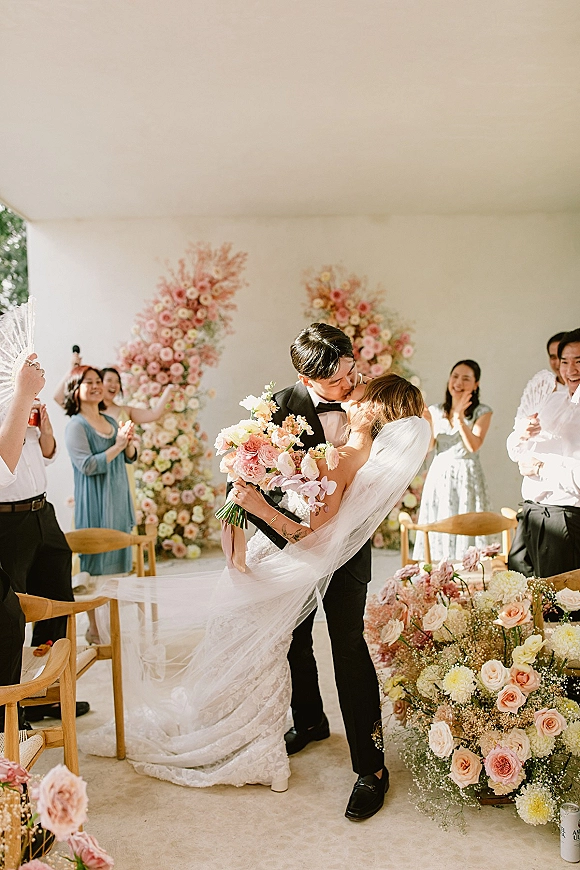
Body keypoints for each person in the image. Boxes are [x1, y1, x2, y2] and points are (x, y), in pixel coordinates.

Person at [83, 373, 429, 818]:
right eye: (343, 376)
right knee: (293, 637)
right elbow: (254, 463)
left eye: (357, 378)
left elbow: (313, 526)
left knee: (347, 648)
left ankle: (372, 769)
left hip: (333, 551)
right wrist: (242, 500)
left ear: (374, 407)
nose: (352, 383)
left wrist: (260, 507)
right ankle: (309, 720)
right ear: (310, 376)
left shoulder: (352, 453)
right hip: (299, 545)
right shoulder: (288, 404)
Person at [64, 366, 137, 641]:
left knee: (118, 565)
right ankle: (95, 629)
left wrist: (127, 442)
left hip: (118, 499)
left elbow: (129, 457)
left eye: (98, 381)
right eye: (88, 382)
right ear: (76, 390)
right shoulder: (75, 425)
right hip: (94, 503)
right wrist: (118, 445)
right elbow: (87, 466)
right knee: (94, 566)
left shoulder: (110, 419)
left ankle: (114, 627)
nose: (96, 386)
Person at [506, 328, 580, 578]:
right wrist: (522, 434)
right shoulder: (553, 401)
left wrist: (540, 469)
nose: (571, 370)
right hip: (531, 513)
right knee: (521, 602)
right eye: (565, 362)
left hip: (565, 519)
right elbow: (515, 451)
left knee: (561, 609)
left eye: (579, 361)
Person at [0, 354, 45, 731]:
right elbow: (2, 472)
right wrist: (21, 393)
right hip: (8, 520)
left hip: (37, 511)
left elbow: (46, 452)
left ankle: (15, 716)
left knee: (14, 614)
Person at [413, 359, 493, 561]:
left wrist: (458, 419)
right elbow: (430, 447)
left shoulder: (482, 411)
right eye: (455, 376)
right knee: (439, 520)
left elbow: (474, 445)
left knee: (467, 521)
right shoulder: (436, 410)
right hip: (439, 474)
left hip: (467, 474)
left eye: (466, 378)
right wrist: (428, 421)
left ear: (476, 385)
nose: (458, 382)